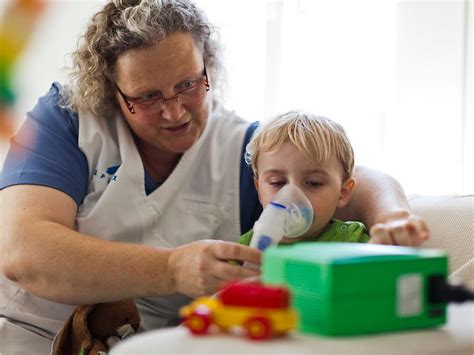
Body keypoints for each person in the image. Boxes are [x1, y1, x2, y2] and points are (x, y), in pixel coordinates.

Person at [0, 0, 429, 353]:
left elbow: (350, 177)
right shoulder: (69, 120)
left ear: (209, 67)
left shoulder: (240, 146)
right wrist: (172, 268)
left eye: (188, 84)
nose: (174, 112)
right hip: (30, 334)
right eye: (148, 97)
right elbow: (24, 252)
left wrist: (392, 216)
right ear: (111, 90)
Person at [239, 110, 370, 247]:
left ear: (343, 193)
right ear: (259, 189)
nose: (291, 196)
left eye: (313, 183)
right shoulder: (245, 249)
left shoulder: (353, 242)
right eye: (277, 182)